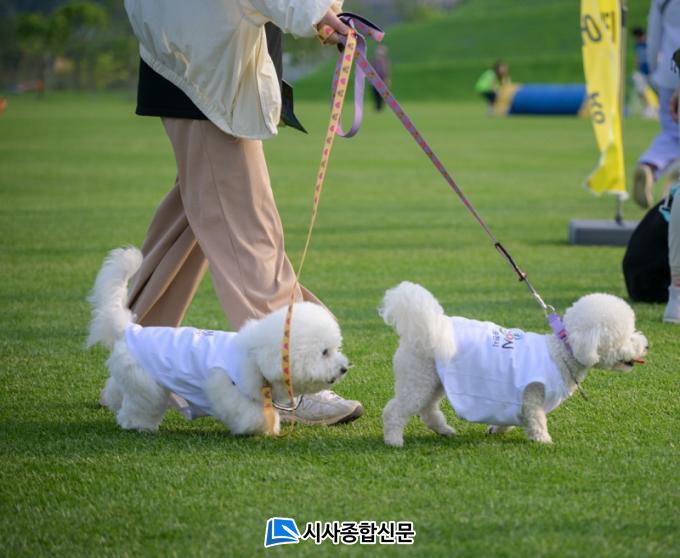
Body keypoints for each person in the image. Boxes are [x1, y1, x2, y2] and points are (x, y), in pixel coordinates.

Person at [121, 1, 363, 424]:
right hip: (205, 68)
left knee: (195, 216)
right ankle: (289, 380)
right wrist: (310, 11)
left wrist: (316, 10)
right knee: (249, 232)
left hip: (195, 60)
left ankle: (131, 363)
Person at [633, 0, 680, 209]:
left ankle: (650, 166)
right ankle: (675, 174)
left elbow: (654, 36)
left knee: (671, 132)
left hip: (669, 73)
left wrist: (653, 72)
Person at [370, 44, 390, 111]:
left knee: (382, 93)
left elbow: (386, 71)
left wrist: (387, 79)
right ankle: (377, 106)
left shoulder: (385, 61)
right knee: (375, 93)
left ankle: (381, 107)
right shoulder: (374, 60)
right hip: (374, 79)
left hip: (382, 79)